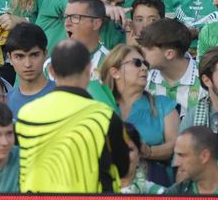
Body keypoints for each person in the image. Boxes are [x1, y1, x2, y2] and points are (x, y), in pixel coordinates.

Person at [16, 38, 133, 193]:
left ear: (51, 71)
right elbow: (123, 168)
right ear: (89, 69)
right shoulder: (104, 116)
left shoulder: (26, 114)